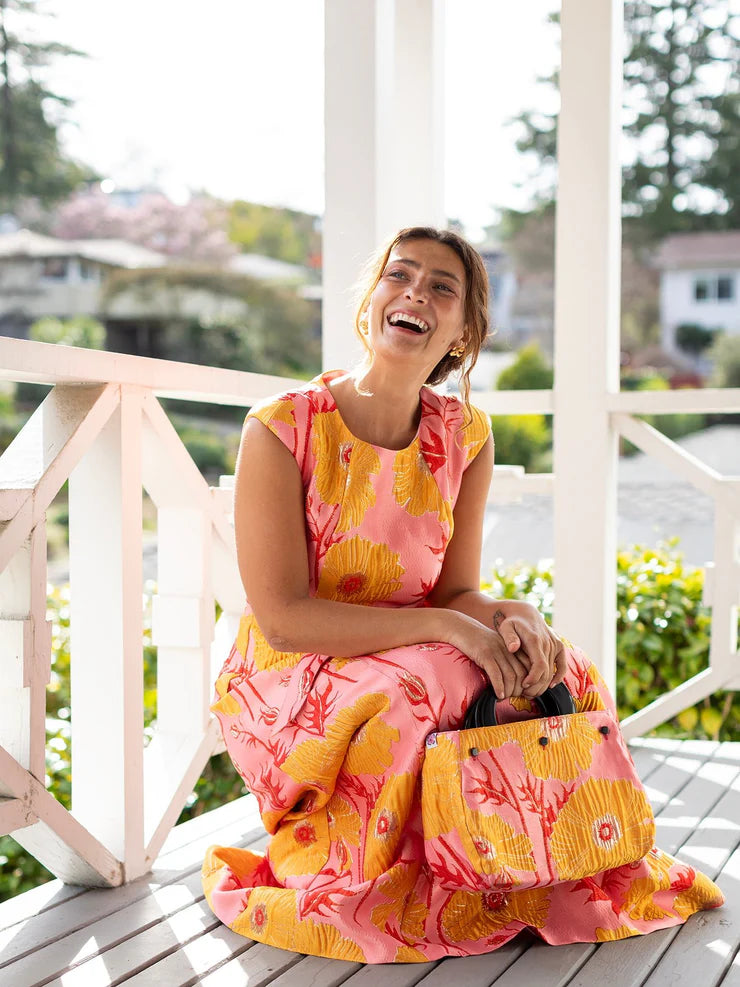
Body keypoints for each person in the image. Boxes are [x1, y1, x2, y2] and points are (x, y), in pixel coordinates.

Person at [202, 227, 722, 963]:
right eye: (399, 275)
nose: (415, 292)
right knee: (431, 680)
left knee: (561, 667)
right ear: (373, 298)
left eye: (441, 286)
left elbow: (457, 589)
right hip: (296, 675)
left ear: (465, 328)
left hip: (415, 640)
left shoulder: (464, 433)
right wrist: (452, 629)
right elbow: (285, 619)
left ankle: (540, 862)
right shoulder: (283, 424)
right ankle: (415, 882)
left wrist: (519, 617)